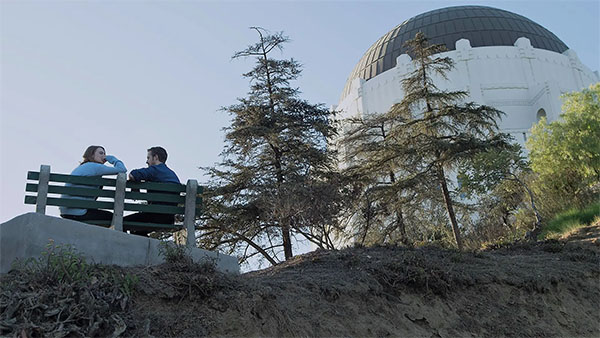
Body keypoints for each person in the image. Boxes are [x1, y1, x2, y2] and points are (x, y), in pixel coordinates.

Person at [60, 145, 127, 223]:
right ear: (91, 155)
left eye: (105, 154)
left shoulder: (85, 167)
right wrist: (112, 159)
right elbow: (122, 169)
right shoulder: (94, 167)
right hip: (79, 213)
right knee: (116, 219)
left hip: (67, 212)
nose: (104, 156)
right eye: (101, 153)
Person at [124, 146, 180, 234]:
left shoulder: (155, 170)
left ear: (156, 157)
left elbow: (132, 175)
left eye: (148, 158)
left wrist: (135, 185)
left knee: (122, 223)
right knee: (138, 232)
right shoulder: (172, 175)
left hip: (154, 216)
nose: (147, 161)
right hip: (168, 219)